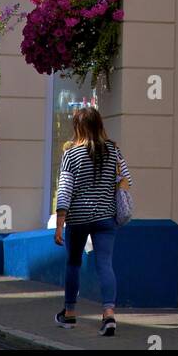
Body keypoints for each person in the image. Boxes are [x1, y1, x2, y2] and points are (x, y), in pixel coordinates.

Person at [53, 106, 132, 336]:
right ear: (99, 125)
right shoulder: (113, 151)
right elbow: (126, 180)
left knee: (74, 264)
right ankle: (108, 315)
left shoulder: (71, 154)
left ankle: (69, 313)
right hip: (106, 218)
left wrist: (59, 223)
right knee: (105, 265)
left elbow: (65, 190)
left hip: (77, 219)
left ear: (78, 127)